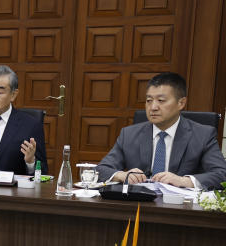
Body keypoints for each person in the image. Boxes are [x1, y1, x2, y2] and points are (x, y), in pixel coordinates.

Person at [96, 72, 226, 189]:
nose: (153, 107)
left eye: (161, 100)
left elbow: (221, 174)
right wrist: (122, 175)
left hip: (179, 209)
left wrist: (183, 181)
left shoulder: (203, 135)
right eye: (149, 100)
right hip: (138, 204)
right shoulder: (129, 134)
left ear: (181, 103)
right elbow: (101, 169)